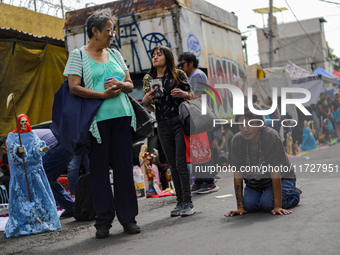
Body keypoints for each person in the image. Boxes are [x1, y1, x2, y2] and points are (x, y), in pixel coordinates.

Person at [63, 9, 140, 239]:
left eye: (112, 30)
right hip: (97, 122)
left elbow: (128, 83)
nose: (112, 34)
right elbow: (73, 87)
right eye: (108, 30)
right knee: (98, 173)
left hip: (122, 117)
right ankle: (103, 222)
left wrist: (120, 84)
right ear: (94, 31)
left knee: (125, 170)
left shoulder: (115, 54)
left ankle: (129, 219)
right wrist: (102, 96)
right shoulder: (78, 55)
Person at [142, 46, 195, 217]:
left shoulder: (178, 74)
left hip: (179, 121)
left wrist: (183, 94)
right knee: (172, 164)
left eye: (159, 54)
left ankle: (188, 202)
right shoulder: (149, 78)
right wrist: (145, 101)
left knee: (180, 163)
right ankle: (179, 201)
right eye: (153, 55)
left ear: (167, 57)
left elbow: (192, 95)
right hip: (162, 124)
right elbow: (151, 107)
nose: (155, 57)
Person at [225, 107, 300, 217]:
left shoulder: (270, 136)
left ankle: (294, 194)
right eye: (241, 125)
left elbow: (275, 171)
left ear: (260, 124)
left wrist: (277, 206)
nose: (245, 129)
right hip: (256, 184)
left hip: (283, 179)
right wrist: (240, 207)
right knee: (249, 206)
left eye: (250, 124)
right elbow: (237, 173)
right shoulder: (237, 141)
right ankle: (265, 196)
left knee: (268, 204)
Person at [5, 114, 61, 238]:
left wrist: (40, 150)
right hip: (21, 174)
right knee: (23, 196)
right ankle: (25, 222)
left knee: (39, 195)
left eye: (25, 122)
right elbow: (11, 152)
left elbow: (37, 146)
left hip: (35, 172)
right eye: (22, 122)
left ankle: (42, 220)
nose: (24, 125)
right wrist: (17, 152)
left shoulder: (32, 135)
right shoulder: (12, 137)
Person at [177, 52, 219, 194]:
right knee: (197, 149)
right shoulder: (191, 76)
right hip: (195, 117)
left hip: (199, 116)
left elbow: (198, 96)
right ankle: (200, 180)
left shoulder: (197, 75)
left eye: (182, 64)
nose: (180, 67)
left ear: (191, 63)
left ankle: (209, 181)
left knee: (203, 148)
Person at [34, 129, 75, 217]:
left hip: (58, 145)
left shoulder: (13, 140)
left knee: (40, 177)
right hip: (66, 144)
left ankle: (42, 211)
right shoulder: (19, 135)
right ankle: (71, 207)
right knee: (48, 179)